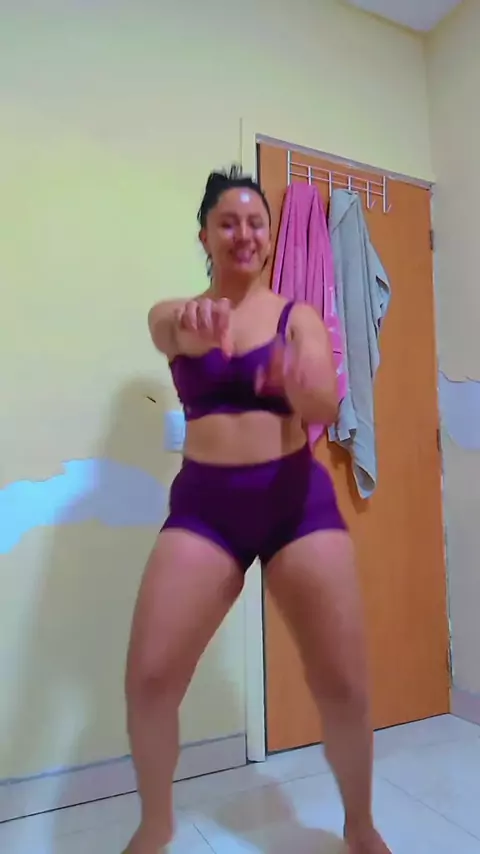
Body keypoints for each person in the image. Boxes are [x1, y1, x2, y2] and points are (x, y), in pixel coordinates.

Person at [124, 166, 392, 854]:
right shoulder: (175, 314)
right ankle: (155, 823)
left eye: (255, 223)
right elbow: (165, 330)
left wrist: (299, 383)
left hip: (294, 500)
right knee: (150, 678)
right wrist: (192, 325)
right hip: (205, 508)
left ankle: (360, 825)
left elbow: (325, 400)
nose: (244, 234)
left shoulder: (295, 318)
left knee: (343, 681)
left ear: (270, 238)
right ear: (205, 236)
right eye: (228, 222)